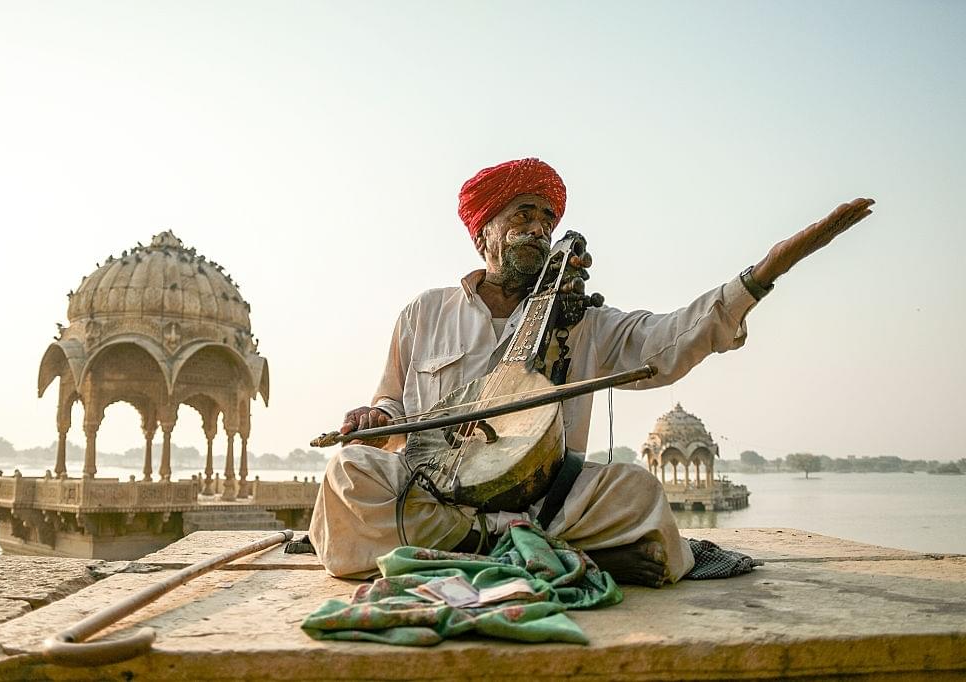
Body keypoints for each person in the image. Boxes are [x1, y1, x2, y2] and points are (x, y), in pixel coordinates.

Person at [309, 158, 873, 584]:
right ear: (483, 231)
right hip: (436, 490)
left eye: (548, 218)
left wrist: (763, 274)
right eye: (523, 214)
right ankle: (513, 547)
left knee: (642, 495)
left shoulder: (584, 320)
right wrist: (374, 417)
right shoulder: (424, 313)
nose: (539, 227)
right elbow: (393, 409)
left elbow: (668, 339)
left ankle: (481, 546)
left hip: (542, 502)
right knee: (346, 475)